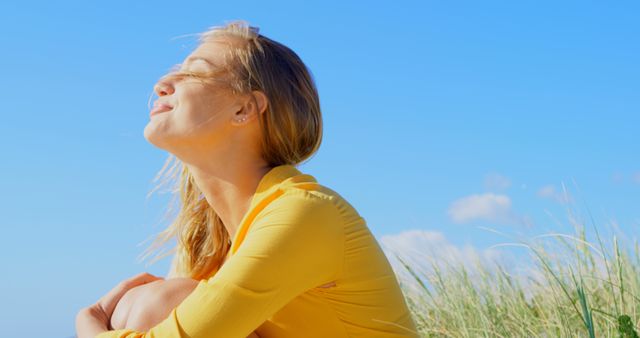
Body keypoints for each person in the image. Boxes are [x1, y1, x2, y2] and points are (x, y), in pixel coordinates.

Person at [75, 20, 420, 338]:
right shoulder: (206, 237)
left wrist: (88, 326)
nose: (163, 84)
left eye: (194, 74)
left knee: (160, 303)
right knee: (152, 303)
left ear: (244, 109)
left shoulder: (305, 214)